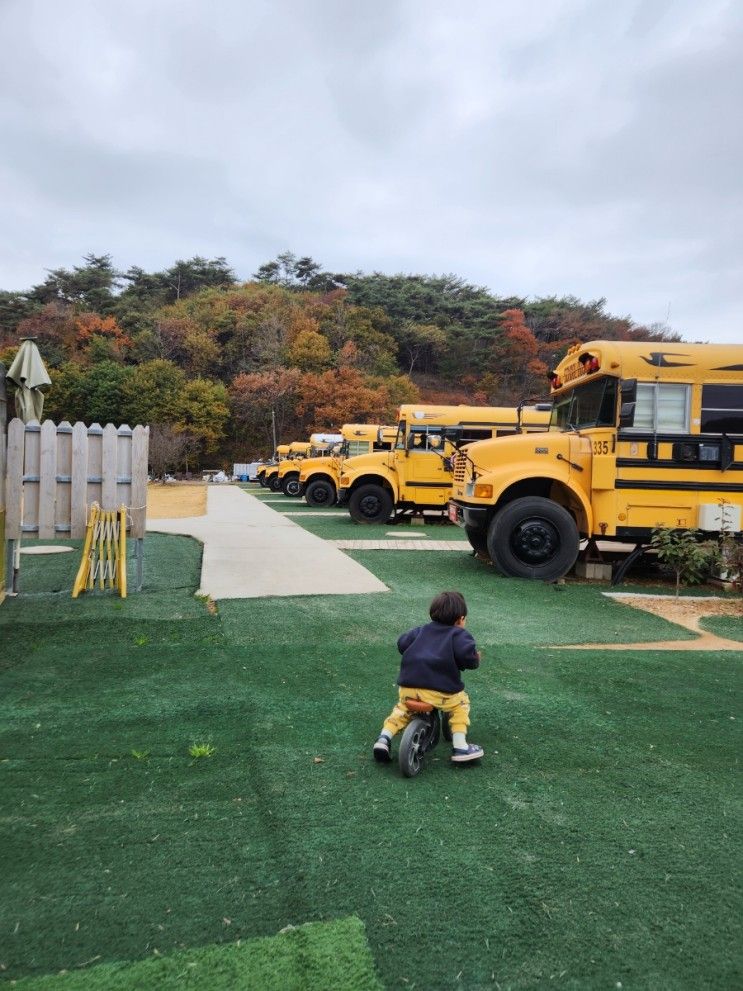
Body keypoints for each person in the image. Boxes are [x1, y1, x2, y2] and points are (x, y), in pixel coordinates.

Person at [373, 590, 484, 765]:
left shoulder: (421, 630)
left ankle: (383, 738)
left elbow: (402, 644)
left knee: (402, 710)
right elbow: (468, 659)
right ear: (461, 619)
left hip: (408, 687)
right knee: (461, 704)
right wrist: (475, 658)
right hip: (440, 692)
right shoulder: (459, 635)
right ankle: (460, 746)